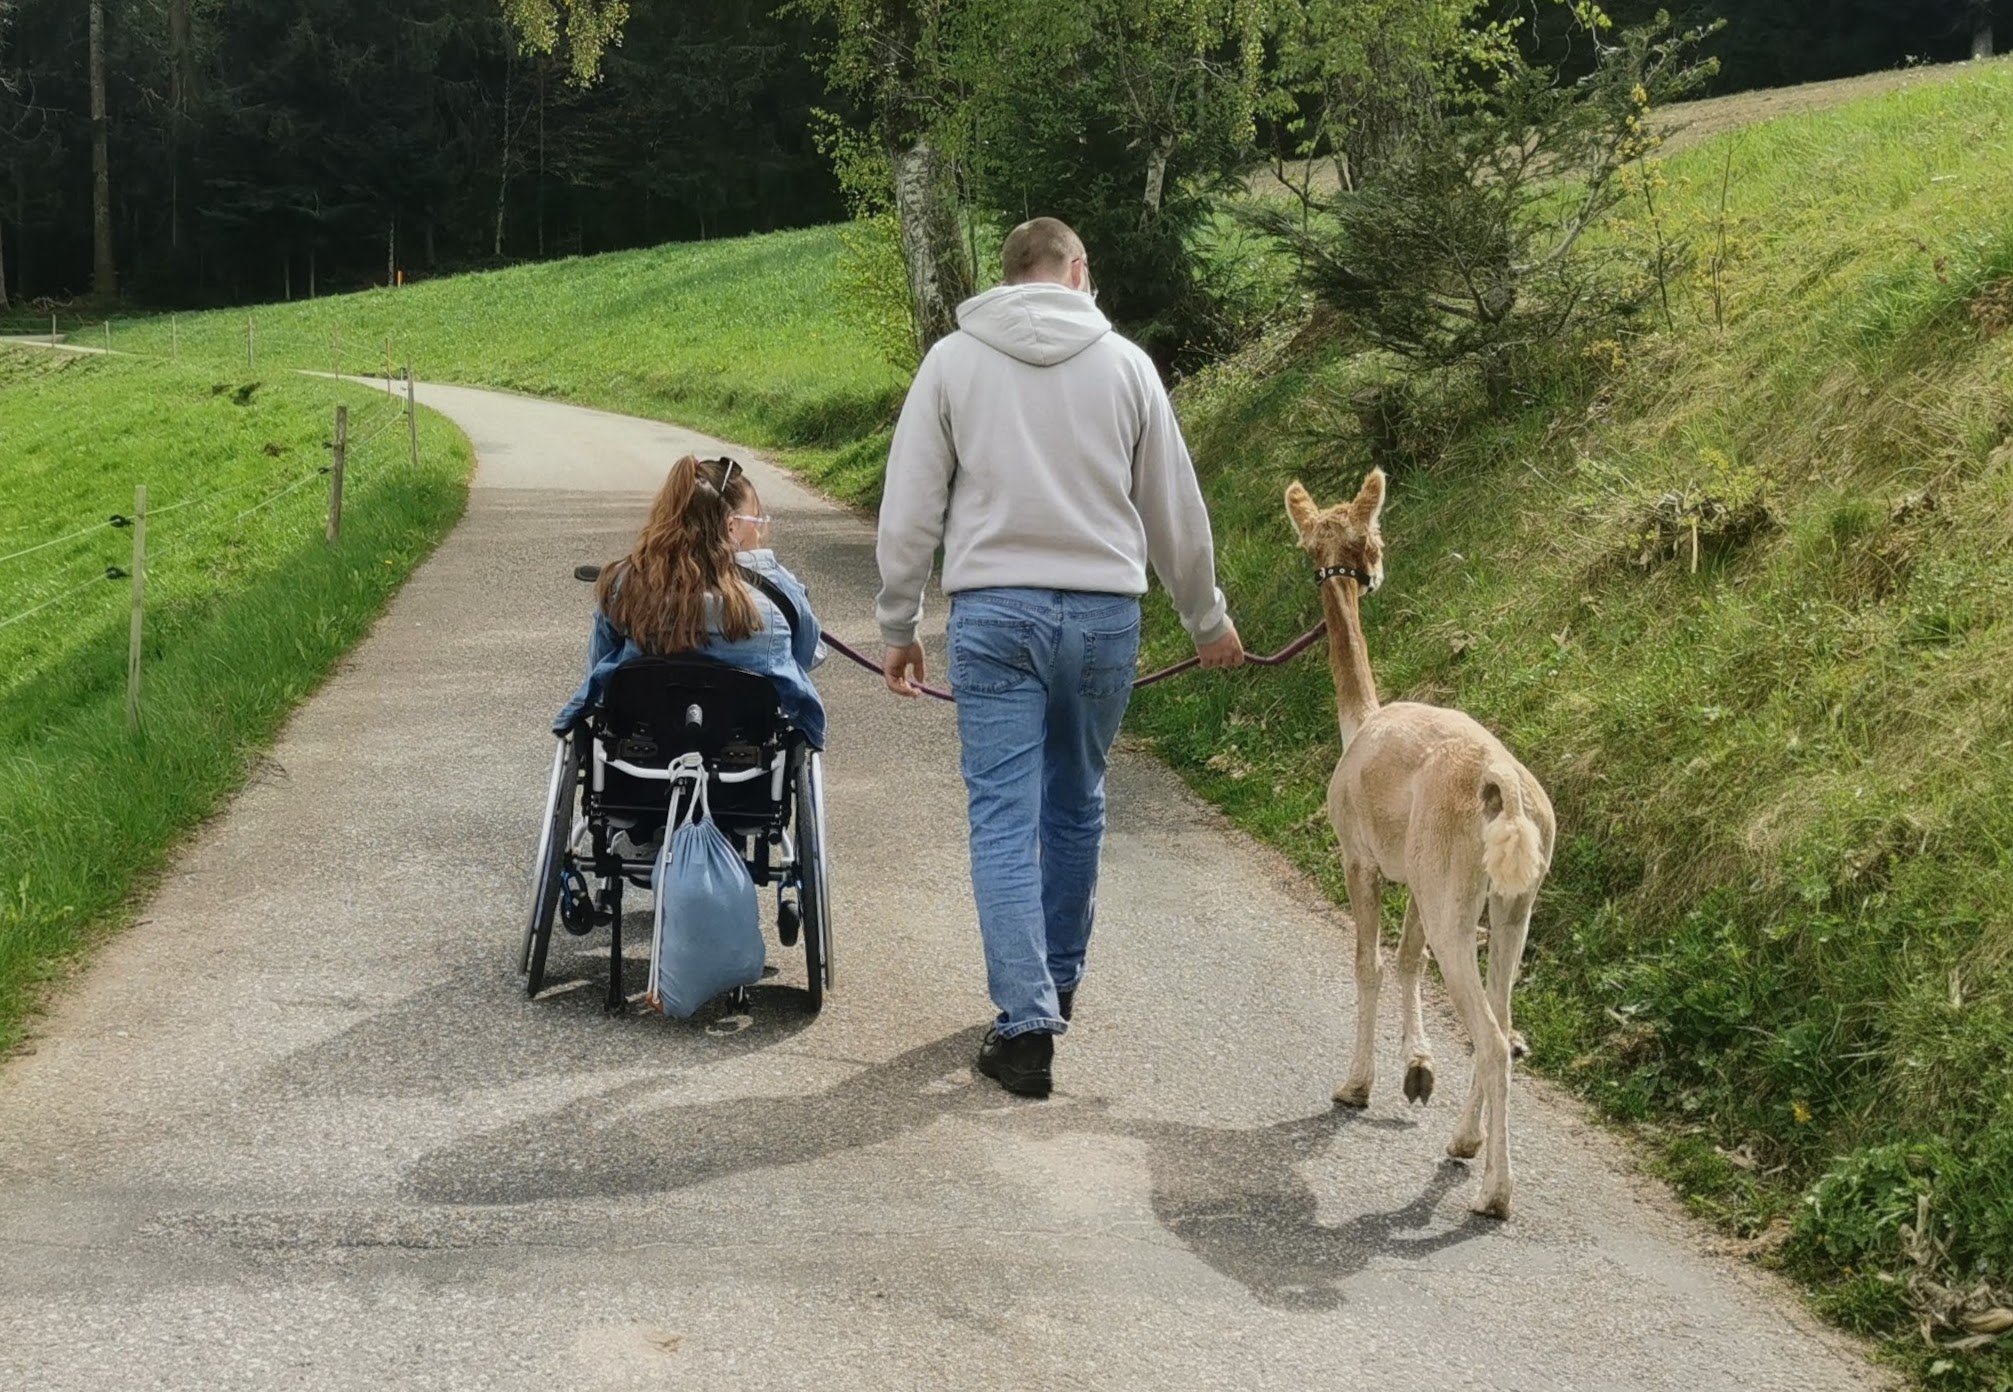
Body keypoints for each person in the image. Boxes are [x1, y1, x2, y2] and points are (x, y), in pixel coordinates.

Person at [875, 217, 1245, 1099]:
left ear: (1006, 278)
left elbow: (911, 503)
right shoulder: (1125, 365)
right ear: (1078, 271)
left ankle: (1025, 1023)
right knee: (1075, 802)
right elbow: (1173, 507)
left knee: (1003, 817)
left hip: (994, 613)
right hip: (1104, 615)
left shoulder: (952, 362)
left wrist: (900, 624)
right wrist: (1206, 620)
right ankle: (1058, 983)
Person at [555, 455, 826, 749]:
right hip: (747, 743)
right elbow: (806, 655)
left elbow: (602, 659)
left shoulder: (629, 580)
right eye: (757, 521)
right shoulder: (776, 586)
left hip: (643, 735)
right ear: (732, 527)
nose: (761, 530)